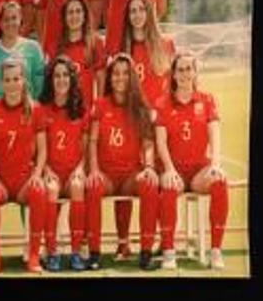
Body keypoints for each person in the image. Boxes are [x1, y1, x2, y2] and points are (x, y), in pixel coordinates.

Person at [154, 52, 230, 270]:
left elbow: (214, 133)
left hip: (198, 171)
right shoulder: (163, 103)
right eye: (180, 69)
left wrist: (215, 164)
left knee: (220, 182)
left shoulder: (206, 100)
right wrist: (168, 169)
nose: (185, 73)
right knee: (168, 186)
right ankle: (169, 252)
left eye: (189, 69)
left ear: (195, 72)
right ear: (174, 75)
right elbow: (161, 142)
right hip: (174, 168)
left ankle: (216, 251)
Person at [86, 54, 160, 270]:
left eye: (125, 73)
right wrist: (94, 169)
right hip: (107, 174)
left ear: (132, 77)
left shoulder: (140, 107)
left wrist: (148, 167)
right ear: (109, 77)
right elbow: (92, 141)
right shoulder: (100, 105)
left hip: (130, 175)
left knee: (149, 183)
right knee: (93, 186)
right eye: (116, 73)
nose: (120, 77)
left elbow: (147, 144)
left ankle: (145, 253)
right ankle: (94, 253)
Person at [0, 59, 50, 273]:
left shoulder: (35, 110)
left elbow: (43, 150)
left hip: (23, 182)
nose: (12, 84)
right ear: (2, 83)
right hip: (1, 180)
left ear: (24, 81)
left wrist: (37, 175)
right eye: (8, 80)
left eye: (16, 79)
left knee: (39, 191)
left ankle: (34, 255)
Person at [39, 57, 89, 271]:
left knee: (78, 186)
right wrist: (46, 170)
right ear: (51, 80)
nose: (61, 80)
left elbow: (86, 148)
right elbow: (38, 149)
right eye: (56, 76)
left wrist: (80, 169)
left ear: (72, 79)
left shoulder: (81, 109)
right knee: (50, 189)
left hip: (73, 171)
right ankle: (52, 252)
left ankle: (76, 252)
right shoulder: (42, 110)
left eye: (65, 75)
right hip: (52, 170)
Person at [0, 1, 45, 108]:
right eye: (6, 19)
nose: (10, 23)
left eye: (14, 18)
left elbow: (39, 85)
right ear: (0, 23)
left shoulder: (34, 49)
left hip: (23, 114)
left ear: (20, 20)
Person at [119, 0, 174, 108]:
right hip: (134, 113)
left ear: (149, 12)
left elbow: (174, 83)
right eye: (133, 11)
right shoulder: (123, 48)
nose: (137, 15)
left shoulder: (166, 44)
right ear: (127, 16)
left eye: (141, 9)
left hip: (161, 113)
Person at [49, 0, 103, 102]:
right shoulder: (55, 46)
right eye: (70, 12)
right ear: (64, 17)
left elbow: (101, 79)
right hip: (63, 110)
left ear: (84, 15)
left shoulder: (95, 42)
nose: (74, 16)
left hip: (86, 110)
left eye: (78, 11)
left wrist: (99, 107)